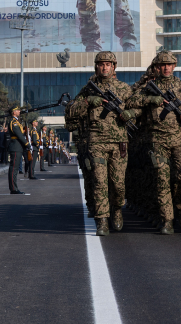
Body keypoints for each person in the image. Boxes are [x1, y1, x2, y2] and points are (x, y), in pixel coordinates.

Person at [125, 51, 181, 234]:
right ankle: (167, 220)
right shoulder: (149, 87)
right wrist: (151, 99)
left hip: (180, 139)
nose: (166, 68)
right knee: (162, 180)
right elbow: (131, 101)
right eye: (162, 65)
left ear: (174, 66)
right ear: (157, 68)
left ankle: (179, 208)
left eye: (169, 64)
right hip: (158, 141)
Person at [68, 51, 133, 236]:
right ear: (96, 67)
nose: (104, 67)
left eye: (108, 64)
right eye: (101, 64)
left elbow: (137, 106)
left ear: (114, 67)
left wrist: (131, 113)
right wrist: (88, 101)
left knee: (118, 184)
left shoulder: (124, 88)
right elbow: (71, 111)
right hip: (96, 141)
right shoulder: (88, 89)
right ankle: (102, 220)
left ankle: (117, 209)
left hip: (119, 142)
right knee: (99, 182)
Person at [7, 108, 32, 195]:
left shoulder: (17, 122)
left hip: (18, 147)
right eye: (17, 110)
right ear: (13, 112)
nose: (19, 112)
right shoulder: (13, 122)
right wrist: (27, 144)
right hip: (15, 147)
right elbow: (19, 134)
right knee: (14, 168)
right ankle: (13, 189)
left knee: (15, 168)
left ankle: (14, 188)